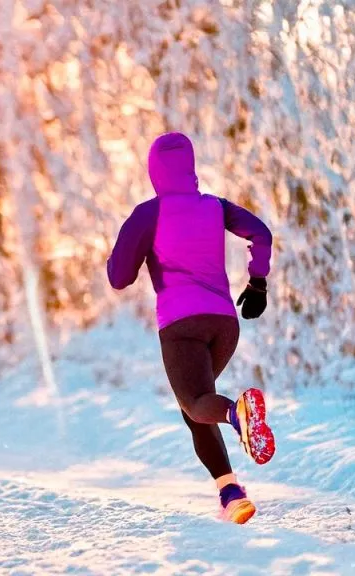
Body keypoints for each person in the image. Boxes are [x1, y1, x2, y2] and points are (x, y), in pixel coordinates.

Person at [106, 131, 276, 525]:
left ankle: (238, 415)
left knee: (197, 403)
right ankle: (231, 493)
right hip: (224, 324)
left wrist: (120, 255)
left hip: (182, 327)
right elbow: (261, 234)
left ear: (154, 172)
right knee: (197, 407)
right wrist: (258, 282)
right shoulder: (215, 206)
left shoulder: (148, 214)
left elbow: (119, 277)